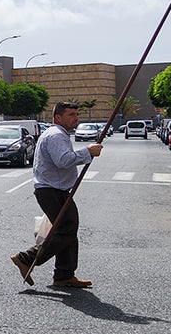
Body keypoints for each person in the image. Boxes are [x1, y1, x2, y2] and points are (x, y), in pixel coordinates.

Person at [8, 101, 103, 289]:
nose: (76, 118)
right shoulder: (56, 135)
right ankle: (26, 258)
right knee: (66, 229)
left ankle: (64, 275)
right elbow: (63, 160)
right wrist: (88, 152)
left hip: (56, 190)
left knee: (68, 230)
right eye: (71, 115)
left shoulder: (59, 134)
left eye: (77, 114)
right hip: (51, 191)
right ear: (58, 117)